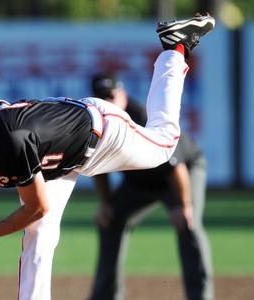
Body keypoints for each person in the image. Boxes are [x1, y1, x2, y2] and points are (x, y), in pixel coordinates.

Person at [0, 15, 214, 300]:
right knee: (38, 238)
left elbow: (37, 207)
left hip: (100, 132)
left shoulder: (7, 141)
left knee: (164, 144)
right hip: (56, 154)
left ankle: (174, 49)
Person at [88, 73, 214, 300]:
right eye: (101, 97)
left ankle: (201, 296)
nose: (107, 101)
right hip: (139, 181)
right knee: (110, 220)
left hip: (180, 173)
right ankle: (105, 296)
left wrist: (183, 204)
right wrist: (106, 203)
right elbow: (96, 166)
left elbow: (176, 165)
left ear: (122, 94)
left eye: (111, 95)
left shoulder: (144, 117)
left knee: (188, 224)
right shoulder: (97, 121)